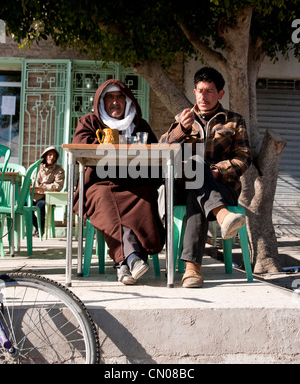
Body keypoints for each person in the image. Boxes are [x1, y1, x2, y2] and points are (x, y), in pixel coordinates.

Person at [160, 67, 252, 288]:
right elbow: (162, 149)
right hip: (183, 186)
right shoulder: (182, 120)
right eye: (200, 91)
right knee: (194, 166)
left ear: (220, 93)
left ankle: (192, 270)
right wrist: (181, 129)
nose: (203, 96)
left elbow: (244, 158)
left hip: (223, 187)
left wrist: (218, 171)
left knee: (197, 189)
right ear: (194, 91)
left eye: (209, 91)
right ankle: (222, 216)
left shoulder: (234, 121)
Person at [72, 79, 164, 285]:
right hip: (100, 184)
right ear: (101, 102)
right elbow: (79, 145)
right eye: (110, 98)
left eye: (119, 97)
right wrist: (107, 143)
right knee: (105, 200)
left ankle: (123, 265)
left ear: (128, 101)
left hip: (134, 184)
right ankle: (131, 259)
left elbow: (155, 153)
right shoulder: (89, 122)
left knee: (147, 195)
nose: (115, 102)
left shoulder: (140, 125)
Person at [32, 146, 65, 237]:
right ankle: (38, 227)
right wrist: (35, 187)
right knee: (25, 206)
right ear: (45, 156)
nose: (52, 157)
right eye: (50, 155)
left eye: (54, 156)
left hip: (47, 198)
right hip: (34, 195)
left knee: (40, 206)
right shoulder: (37, 167)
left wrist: (44, 187)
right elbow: (32, 180)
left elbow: (58, 185)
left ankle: (40, 229)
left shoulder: (59, 170)